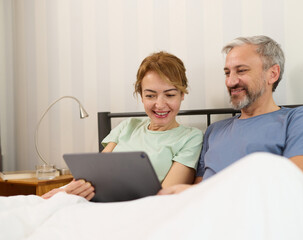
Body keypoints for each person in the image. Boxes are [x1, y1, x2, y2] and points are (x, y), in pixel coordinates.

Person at [159, 35, 303, 195]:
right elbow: (199, 190)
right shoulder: (214, 131)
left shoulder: (298, 119)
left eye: (241, 71)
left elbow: (296, 180)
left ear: (272, 74)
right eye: (227, 73)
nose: (230, 82)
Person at [42, 51, 203, 200]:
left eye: (169, 95)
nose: (159, 104)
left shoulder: (191, 138)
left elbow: (166, 195)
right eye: (150, 95)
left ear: (182, 94)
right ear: (141, 96)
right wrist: (66, 190)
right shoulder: (128, 126)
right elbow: (96, 172)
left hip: (143, 209)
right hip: (97, 201)